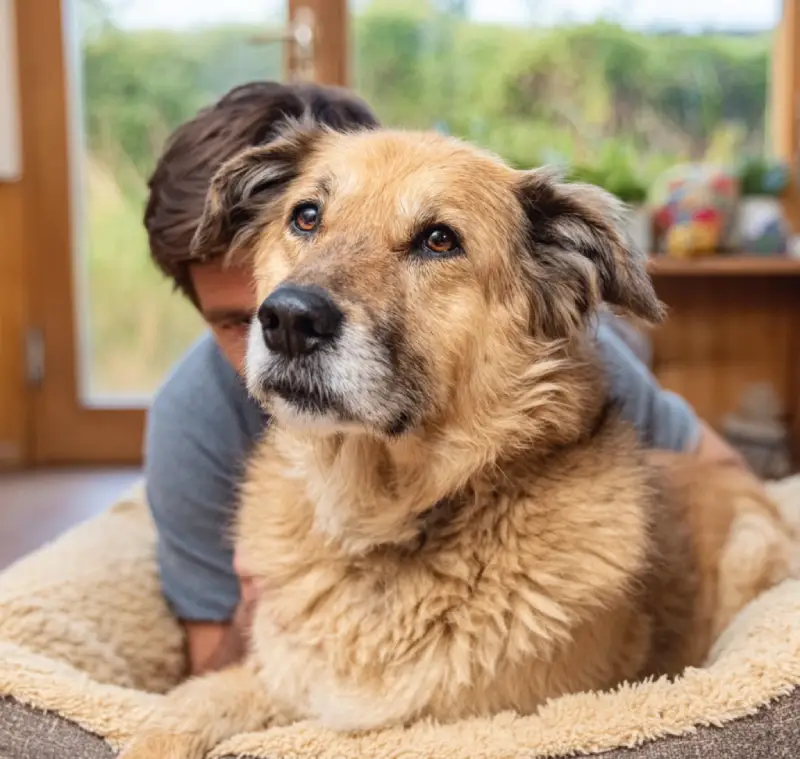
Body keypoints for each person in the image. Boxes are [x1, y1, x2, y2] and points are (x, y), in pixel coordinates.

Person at [143, 80, 754, 677]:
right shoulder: (190, 418)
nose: (284, 313)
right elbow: (208, 668)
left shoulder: (563, 346)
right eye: (308, 219)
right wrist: (262, 611)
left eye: (435, 240)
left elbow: (723, 479)